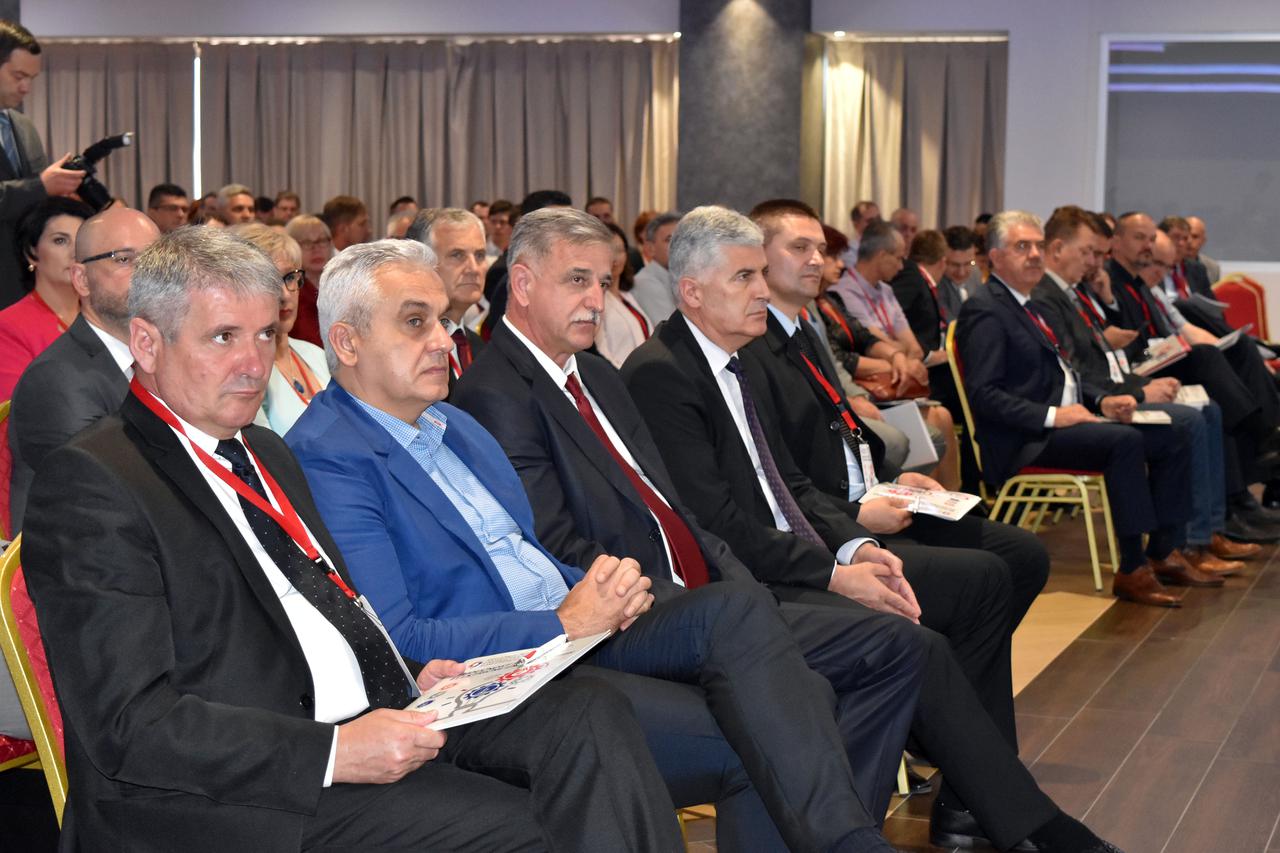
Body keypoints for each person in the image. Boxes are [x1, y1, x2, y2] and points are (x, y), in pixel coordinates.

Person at [22, 225, 685, 852]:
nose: (253, 363)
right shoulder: (96, 481)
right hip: (232, 790)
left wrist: (403, 671)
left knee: (585, 714)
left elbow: (324, 607)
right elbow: (130, 724)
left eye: (264, 333)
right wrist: (336, 751)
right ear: (146, 343)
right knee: (529, 826)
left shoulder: (264, 452)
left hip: (375, 710)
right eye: (222, 337)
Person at [286, 238, 900, 853]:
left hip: (572, 631)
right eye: (415, 322)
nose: (445, 341)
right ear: (346, 343)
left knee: (740, 615)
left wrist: (598, 588)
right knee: (780, 720)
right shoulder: (329, 456)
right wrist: (562, 623)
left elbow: (524, 552)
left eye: (443, 320)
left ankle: (849, 843)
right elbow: (399, 641)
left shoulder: (456, 427)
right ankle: (850, 844)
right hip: (495, 676)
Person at [619, 205, 1123, 853]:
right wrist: (835, 574)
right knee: (913, 645)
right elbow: (717, 526)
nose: (762, 290)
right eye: (745, 277)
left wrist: (858, 548)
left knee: (941, 616)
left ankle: (951, 813)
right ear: (691, 292)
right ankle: (1014, 824)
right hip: (737, 587)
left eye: (760, 274)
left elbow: (790, 485)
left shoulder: (731, 360)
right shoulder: (663, 374)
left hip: (787, 557)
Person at [955, 210, 1200, 607]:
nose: (1035, 254)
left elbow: (1064, 374)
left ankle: (1163, 550)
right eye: (1022, 246)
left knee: (1170, 434)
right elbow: (985, 395)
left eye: (1038, 245)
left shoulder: (1026, 304)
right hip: (1025, 438)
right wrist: (1056, 416)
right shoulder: (986, 309)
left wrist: (1103, 401)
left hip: (1067, 422)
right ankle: (1133, 568)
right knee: (1123, 442)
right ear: (995, 257)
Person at [1030, 206, 1253, 572]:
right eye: (1088, 252)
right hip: (1083, 406)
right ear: (1058, 249)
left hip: (1111, 388)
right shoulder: (1046, 296)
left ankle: (1196, 536)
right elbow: (1076, 369)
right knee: (1184, 422)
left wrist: (1142, 385)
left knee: (1206, 409)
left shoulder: (1072, 292)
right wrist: (1139, 392)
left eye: (1097, 254)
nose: (1093, 262)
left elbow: (1101, 356)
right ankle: (1178, 546)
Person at [9, 206, 158, 532]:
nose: (146, 274)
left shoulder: (166, 358)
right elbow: (104, 499)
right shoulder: (57, 379)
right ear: (82, 279)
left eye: (154, 260)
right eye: (124, 259)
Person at [0, 21, 83, 309]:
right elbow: (34, 187)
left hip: (22, 282)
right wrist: (40, 187)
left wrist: (60, 192)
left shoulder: (23, 126)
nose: (26, 87)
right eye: (19, 76)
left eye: (32, 78)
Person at [231, 223, 330, 434]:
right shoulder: (245, 368)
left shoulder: (316, 355)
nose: (285, 294)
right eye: (270, 281)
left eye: (290, 277)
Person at [405, 207, 487, 391]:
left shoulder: (480, 348)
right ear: (421, 264)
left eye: (480, 255)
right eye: (457, 255)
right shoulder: (406, 346)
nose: (474, 269)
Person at [594, 221, 652, 368]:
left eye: (619, 250)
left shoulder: (627, 296)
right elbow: (601, 352)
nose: (615, 258)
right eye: (609, 250)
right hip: (618, 376)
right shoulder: (595, 300)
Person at [284, 214, 332, 347]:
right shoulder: (290, 293)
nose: (316, 249)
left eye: (321, 240)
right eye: (306, 243)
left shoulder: (342, 286)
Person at [629, 211, 681, 323]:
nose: (678, 245)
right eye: (669, 239)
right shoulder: (645, 282)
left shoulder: (680, 277)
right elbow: (671, 328)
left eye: (681, 239)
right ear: (650, 248)